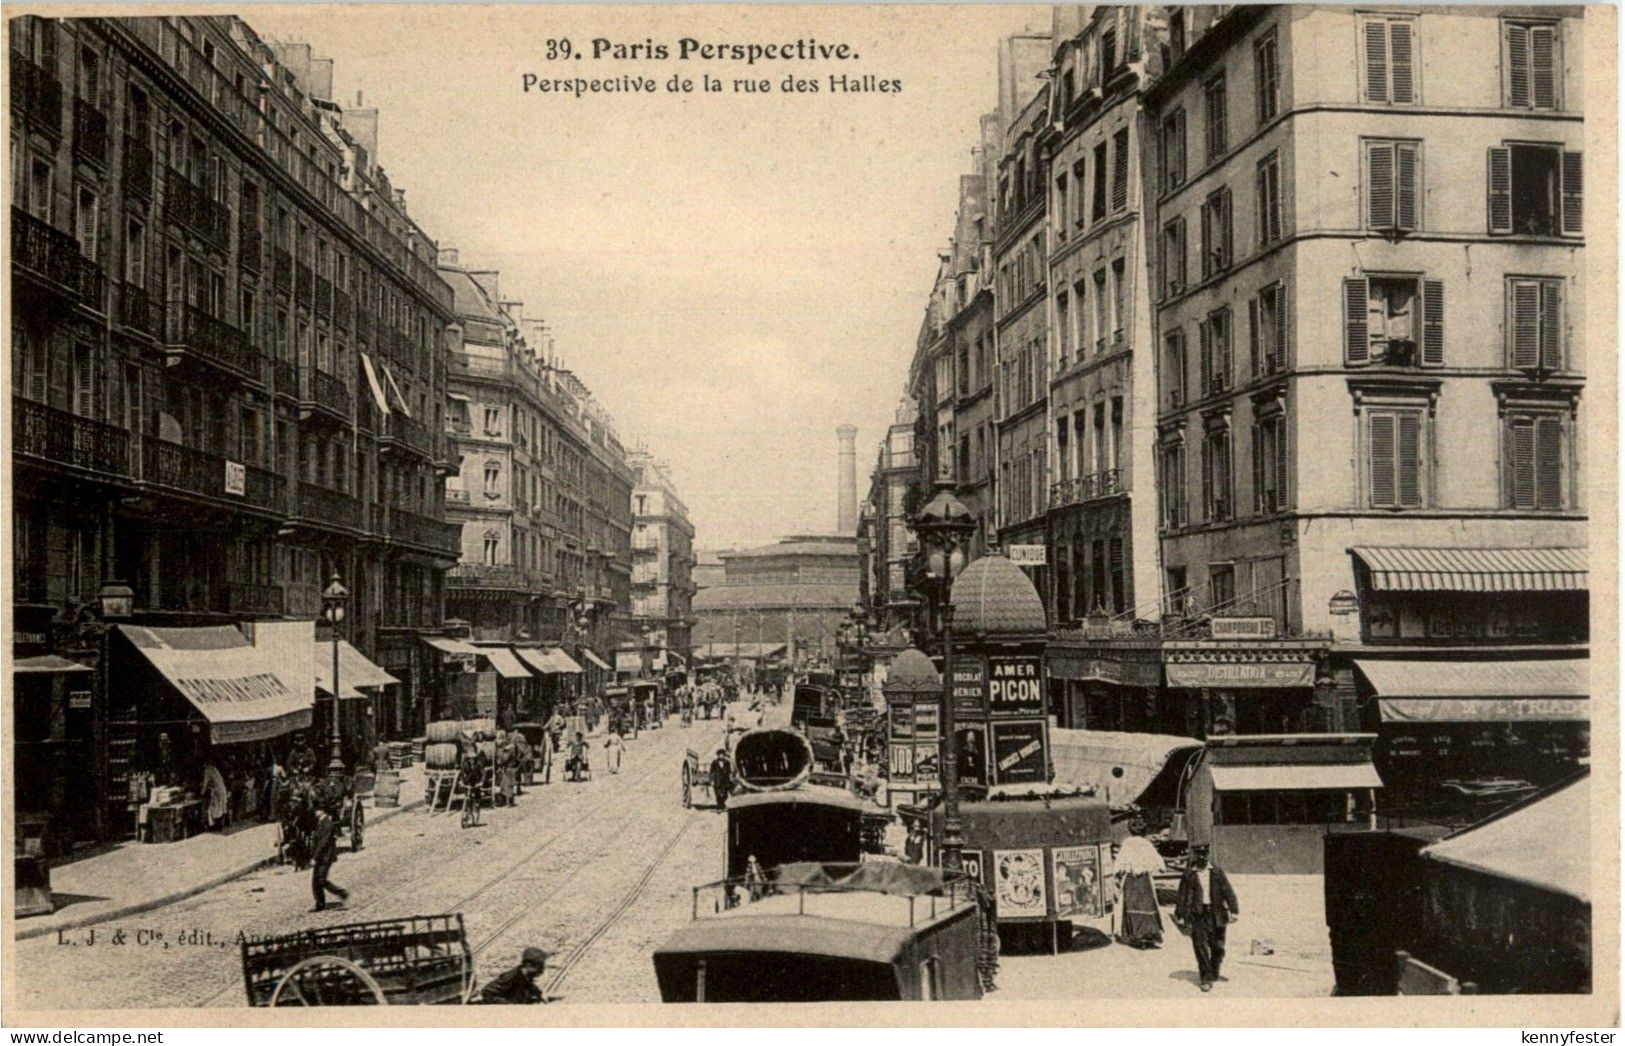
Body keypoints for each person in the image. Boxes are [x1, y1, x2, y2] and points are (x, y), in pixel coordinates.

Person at [1172, 846, 1240, 991]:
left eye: (1204, 854)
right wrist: (1180, 914)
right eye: (1198, 854)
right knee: (1200, 947)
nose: (1201, 857)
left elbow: (1227, 890)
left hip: (1216, 914)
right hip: (1198, 914)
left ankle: (1214, 971)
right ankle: (1206, 978)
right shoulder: (1189, 874)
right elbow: (1182, 894)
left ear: (1207, 854)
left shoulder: (1216, 871)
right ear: (1194, 855)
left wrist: (1234, 911)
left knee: (1218, 947)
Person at [474, 947, 550, 1004]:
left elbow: (530, 986)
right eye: (539, 965)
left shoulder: (525, 975)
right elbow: (487, 992)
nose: (542, 969)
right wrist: (509, 1005)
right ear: (528, 965)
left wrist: (540, 994)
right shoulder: (512, 976)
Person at [310, 804, 349, 912]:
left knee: (320, 879)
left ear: (323, 811)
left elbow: (324, 842)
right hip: (322, 856)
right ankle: (320, 903)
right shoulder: (321, 822)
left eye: (317, 809)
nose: (315, 812)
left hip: (325, 856)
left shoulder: (328, 823)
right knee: (316, 881)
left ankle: (341, 893)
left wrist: (315, 857)